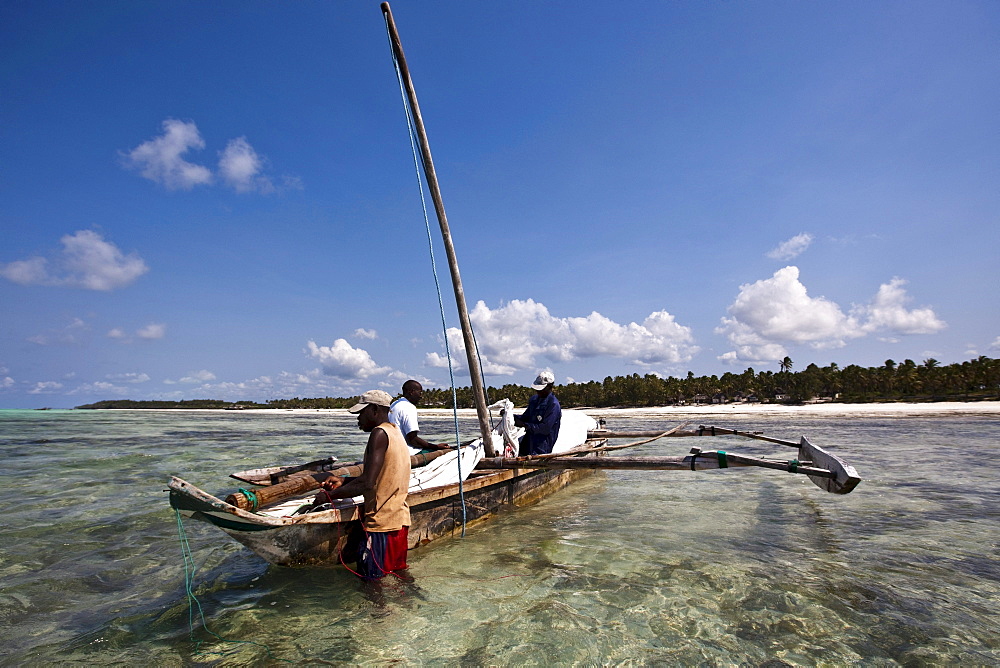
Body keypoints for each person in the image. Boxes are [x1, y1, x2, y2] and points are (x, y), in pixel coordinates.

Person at [315, 389, 411, 580]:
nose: (358, 419)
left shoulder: (379, 434)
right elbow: (379, 477)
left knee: (371, 582)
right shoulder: (395, 431)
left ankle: (377, 612)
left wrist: (328, 496)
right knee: (399, 576)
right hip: (400, 519)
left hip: (381, 524)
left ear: (374, 410)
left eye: (361, 413)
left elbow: (367, 483)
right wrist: (343, 481)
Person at [388, 380, 451, 454]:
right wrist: (436, 447)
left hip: (392, 450)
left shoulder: (394, 404)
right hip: (406, 452)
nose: (421, 396)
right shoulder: (408, 407)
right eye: (420, 392)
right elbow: (413, 440)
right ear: (411, 392)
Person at [514, 371, 562, 456]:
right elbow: (526, 416)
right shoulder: (534, 400)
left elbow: (545, 428)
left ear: (550, 387)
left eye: (542, 389)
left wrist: (525, 425)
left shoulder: (553, 405)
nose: (538, 392)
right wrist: (511, 417)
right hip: (528, 442)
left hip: (542, 446)